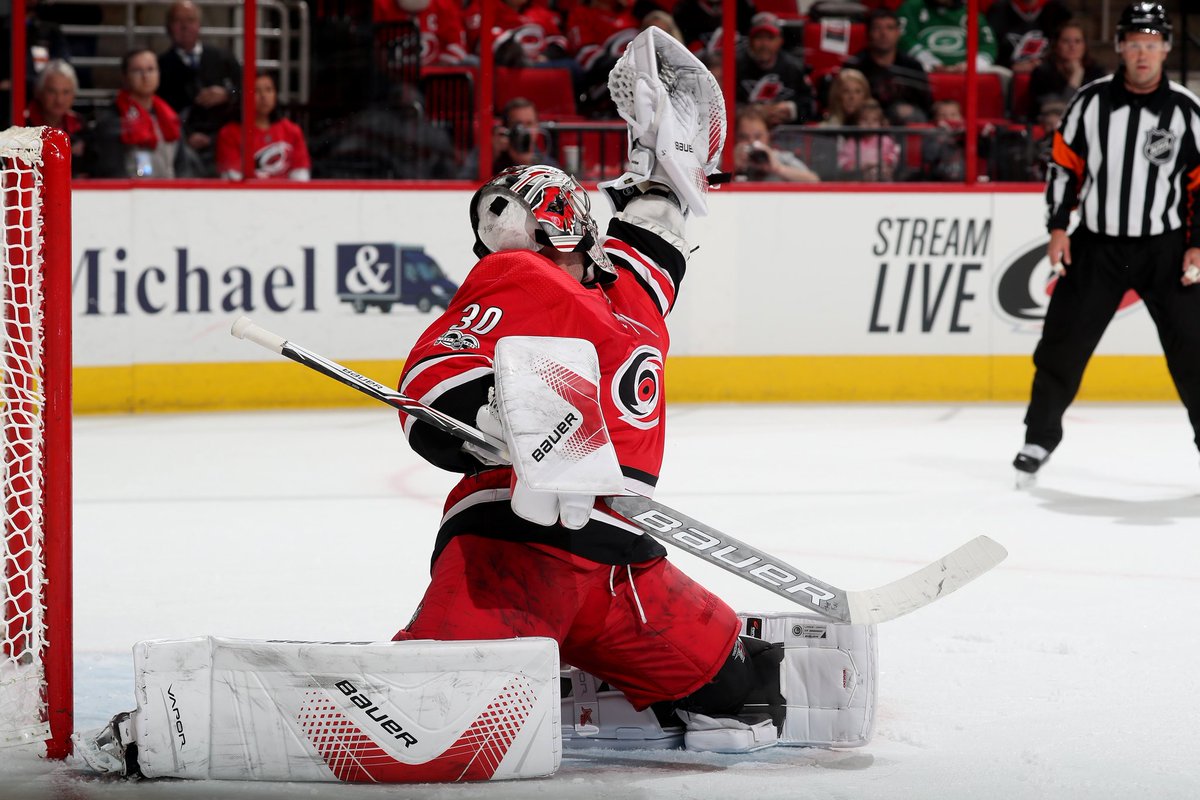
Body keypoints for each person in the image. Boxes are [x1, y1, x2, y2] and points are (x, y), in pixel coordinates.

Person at [394, 27, 787, 754]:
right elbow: (433, 375)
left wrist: (668, 158)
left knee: (749, 699)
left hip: (621, 563)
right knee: (426, 724)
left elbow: (661, 220)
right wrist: (484, 413)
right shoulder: (516, 276)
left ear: (557, 220)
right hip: (513, 552)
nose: (489, 242)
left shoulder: (629, 290)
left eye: (502, 219)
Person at [1013, 2, 1200, 484]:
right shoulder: (1090, 102)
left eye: (1152, 43)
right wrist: (1058, 226)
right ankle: (1038, 438)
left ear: (1166, 48)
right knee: (1062, 343)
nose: (1143, 53)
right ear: (1120, 46)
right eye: (1135, 43)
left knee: (1195, 350)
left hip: (1166, 248)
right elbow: (1062, 165)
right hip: (1096, 246)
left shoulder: (1184, 108)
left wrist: (1197, 244)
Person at [157, 0, 242, 174]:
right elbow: (159, 109)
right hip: (181, 144)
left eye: (190, 20)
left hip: (225, 140)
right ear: (168, 27)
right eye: (178, 21)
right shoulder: (160, 67)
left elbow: (244, 88)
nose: (184, 26)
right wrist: (186, 136)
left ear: (199, 25)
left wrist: (227, 94)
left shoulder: (222, 58)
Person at [85, 49, 185, 179]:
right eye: (137, 70)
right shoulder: (112, 120)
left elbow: (183, 167)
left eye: (151, 69)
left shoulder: (170, 118)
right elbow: (111, 170)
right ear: (125, 77)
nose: (145, 76)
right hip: (130, 195)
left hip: (170, 194)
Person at [214, 72, 312, 180]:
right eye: (256, 91)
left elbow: (300, 175)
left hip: (286, 195)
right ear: (244, 96)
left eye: (269, 90)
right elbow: (233, 178)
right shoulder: (229, 134)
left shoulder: (292, 130)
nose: (264, 96)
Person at [844, 8, 933, 124]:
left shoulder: (912, 66)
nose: (884, 34)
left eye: (890, 28)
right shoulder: (855, 65)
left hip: (903, 126)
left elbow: (926, 106)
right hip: (863, 124)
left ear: (898, 33)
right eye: (877, 28)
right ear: (868, 33)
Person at [736, 12, 816, 126]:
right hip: (744, 133)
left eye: (770, 38)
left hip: (786, 136)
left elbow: (810, 105)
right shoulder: (736, 66)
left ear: (780, 41)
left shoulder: (794, 68)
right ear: (750, 40)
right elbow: (722, 104)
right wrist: (749, 112)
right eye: (759, 38)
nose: (764, 44)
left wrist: (791, 110)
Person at [458, 96, 560, 179]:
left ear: (537, 127)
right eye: (518, 125)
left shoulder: (546, 164)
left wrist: (528, 164)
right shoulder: (491, 152)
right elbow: (463, 181)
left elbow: (556, 188)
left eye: (529, 124)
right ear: (506, 127)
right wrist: (491, 154)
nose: (524, 131)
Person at [1025, 19, 1105, 122]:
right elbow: (1056, 112)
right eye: (1066, 41)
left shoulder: (1096, 73)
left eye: (1077, 41)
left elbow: (1098, 109)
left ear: (1084, 46)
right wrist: (1076, 76)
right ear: (1056, 46)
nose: (1072, 46)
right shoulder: (1042, 73)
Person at [897, 0, 998, 72]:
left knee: (1002, 76)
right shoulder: (913, 7)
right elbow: (904, 39)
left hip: (964, 73)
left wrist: (971, 66)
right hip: (923, 70)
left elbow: (988, 46)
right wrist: (930, 61)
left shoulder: (970, 12)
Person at [23, 59, 85, 169]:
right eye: (52, 91)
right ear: (39, 92)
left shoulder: (81, 127)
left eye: (65, 92)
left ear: (73, 95)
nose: (59, 100)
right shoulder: (22, 127)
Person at [734, 105, 820, 182]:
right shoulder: (728, 161)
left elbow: (814, 180)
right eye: (744, 137)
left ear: (768, 135)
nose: (751, 142)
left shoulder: (780, 158)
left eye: (758, 137)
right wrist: (733, 167)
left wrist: (778, 169)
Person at [986, 0, 1071, 74]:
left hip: (1048, 76)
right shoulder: (998, 11)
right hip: (1007, 76)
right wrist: (1011, 66)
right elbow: (990, 51)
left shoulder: (1058, 10)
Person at [837, 99, 899, 181]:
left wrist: (883, 163)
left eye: (874, 120)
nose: (869, 123)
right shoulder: (851, 143)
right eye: (865, 120)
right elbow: (843, 162)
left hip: (882, 179)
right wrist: (860, 165)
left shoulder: (886, 141)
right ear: (858, 122)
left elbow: (894, 157)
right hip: (858, 180)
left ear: (880, 123)